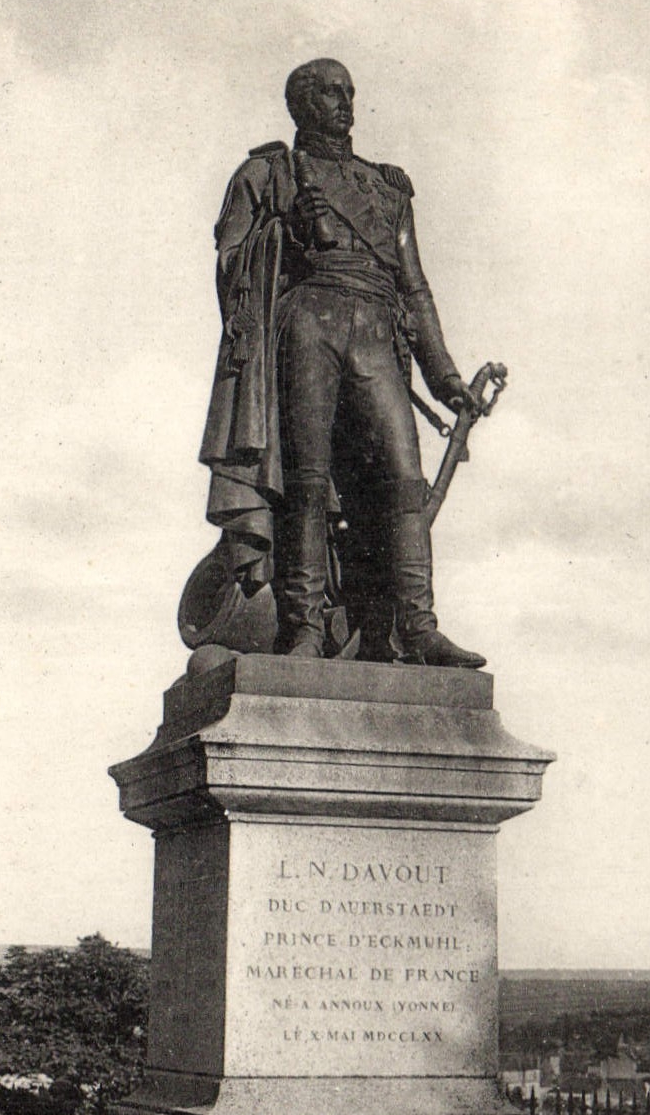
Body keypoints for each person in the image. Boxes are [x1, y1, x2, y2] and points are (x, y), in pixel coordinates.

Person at [200, 59, 489, 667]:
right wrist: (284, 233)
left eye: (350, 92)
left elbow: (415, 286)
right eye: (331, 93)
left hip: (377, 333)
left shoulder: (386, 188)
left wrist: (445, 378)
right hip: (309, 323)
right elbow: (231, 265)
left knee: (403, 482)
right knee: (306, 483)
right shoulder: (268, 174)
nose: (345, 103)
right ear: (301, 104)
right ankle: (302, 630)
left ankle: (417, 627)